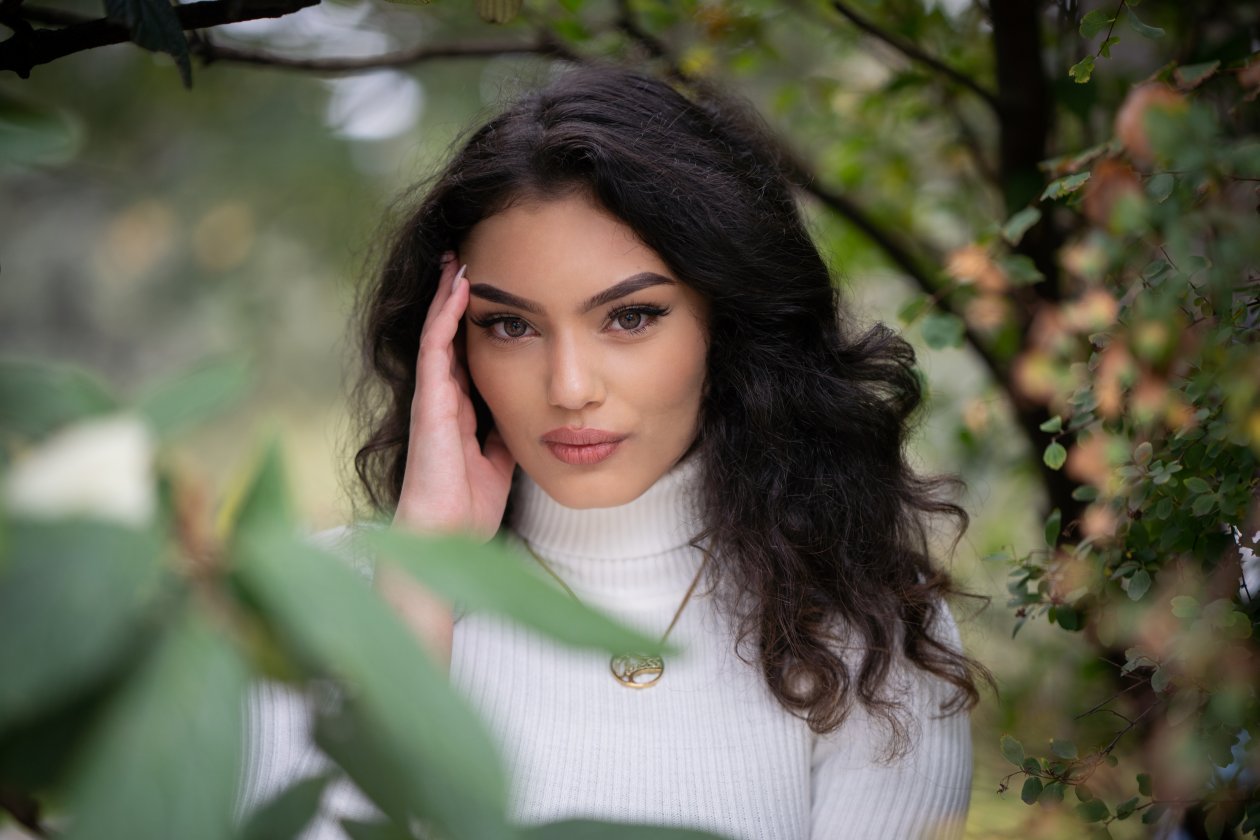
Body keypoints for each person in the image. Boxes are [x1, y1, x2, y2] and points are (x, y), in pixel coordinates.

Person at [240, 65, 988, 839]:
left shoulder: (867, 629)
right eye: (509, 325)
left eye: (629, 317)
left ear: (722, 320)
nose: (569, 388)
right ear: (450, 344)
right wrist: (419, 584)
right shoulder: (310, 600)